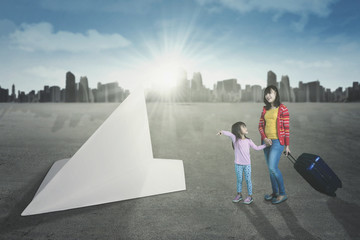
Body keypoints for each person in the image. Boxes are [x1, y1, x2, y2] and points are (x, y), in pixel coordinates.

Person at [217, 121, 269, 204]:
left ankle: (250, 196)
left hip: (247, 165)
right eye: (243, 127)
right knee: (239, 180)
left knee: (248, 180)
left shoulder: (249, 140)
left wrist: (266, 145)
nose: (246, 128)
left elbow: (256, 148)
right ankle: (239, 195)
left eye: (245, 126)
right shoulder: (235, 139)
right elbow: (229, 134)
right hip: (238, 164)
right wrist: (222, 132)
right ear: (238, 130)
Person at [258, 85, 291, 204]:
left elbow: (286, 128)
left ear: (276, 93)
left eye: (270, 93)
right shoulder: (264, 109)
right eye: (266, 94)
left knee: (273, 167)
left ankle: (282, 194)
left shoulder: (283, 109)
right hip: (266, 143)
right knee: (270, 169)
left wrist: (287, 146)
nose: (268, 95)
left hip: (278, 142)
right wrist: (265, 138)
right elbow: (260, 126)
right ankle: (275, 193)